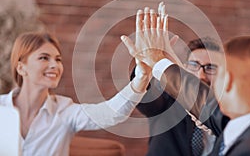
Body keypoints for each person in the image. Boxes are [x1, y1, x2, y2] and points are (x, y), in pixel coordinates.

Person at [121, 4, 250, 155]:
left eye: (214, 69)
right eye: (193, 66)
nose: (200, 75)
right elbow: (206, 104)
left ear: (228, 81)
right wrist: (163, 65)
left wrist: (160, 61)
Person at [0, 32, 151, 156]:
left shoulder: (64, 110)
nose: (55, 65)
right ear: (21, 68)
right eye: (44, 58)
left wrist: (140, 80)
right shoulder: (2, 108)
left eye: (58, 60)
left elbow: (109, 113)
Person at [135, 37, 225, 156]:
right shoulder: (167, 99)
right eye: (194, 65)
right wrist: (143, 75)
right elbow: (147, 98)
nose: (201, 75)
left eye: (210, 68)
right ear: (184, 68)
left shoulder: (226, 110)